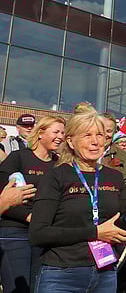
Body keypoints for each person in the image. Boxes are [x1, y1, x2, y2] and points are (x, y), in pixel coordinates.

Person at [29, 110, 126, 293]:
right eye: (87, 135)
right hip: (61, 275)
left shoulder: (115, 177)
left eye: (99, 135)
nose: (95, 141)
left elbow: (124, 221)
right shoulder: (56, 177)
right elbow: (38, 234)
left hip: (105, 274)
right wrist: (95, 233)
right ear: (70, 141)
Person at [0, 116, 64, 293]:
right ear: (40, 133)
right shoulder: (18, 157)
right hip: (15, 231)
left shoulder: (59, 164)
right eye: (56, 132)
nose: (60, 136)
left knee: (38, 287)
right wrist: (30, 216)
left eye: (63, 133)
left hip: (44, 234)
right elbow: (3, 193)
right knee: (18, 288)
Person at [98, 117, 126, 195]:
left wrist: (115, 194)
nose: (105, 134)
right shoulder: (86, 151)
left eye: (109, 131)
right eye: (101, 130)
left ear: (114, 133)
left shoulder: (121, 154)